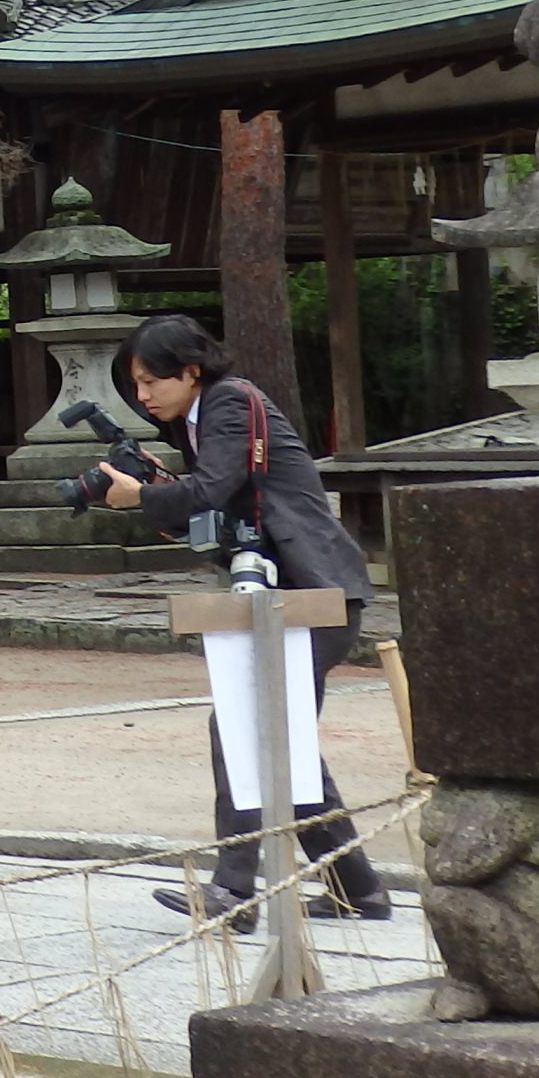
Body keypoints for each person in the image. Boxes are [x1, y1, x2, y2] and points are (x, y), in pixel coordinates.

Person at [92, 314, 393, 929]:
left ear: (191, 370)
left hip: (311, 590)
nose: (144, 395)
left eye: (152, 380)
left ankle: (236, 890)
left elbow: (211, 491)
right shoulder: (201, 421)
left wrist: (141, 497)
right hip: (294, 591)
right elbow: (212, 502)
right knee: (276, 733)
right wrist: (159, 487)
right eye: (136, 384)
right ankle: (355, 887)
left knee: (245, 725)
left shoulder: (228, 402)